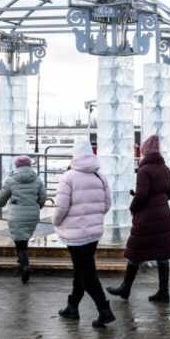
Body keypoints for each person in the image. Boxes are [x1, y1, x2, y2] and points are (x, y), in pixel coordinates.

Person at [53, 139, 115, 328]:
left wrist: (56, 222)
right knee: (82, 270)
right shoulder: (99, 176)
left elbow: (61, 207)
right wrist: (94, 218)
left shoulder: (68, 177)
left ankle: (104, 310)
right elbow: (107, 204)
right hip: (93, 233)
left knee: (86, 274)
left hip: (75, 235)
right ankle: (72, 306)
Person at [108, 135, 170, 303]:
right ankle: (163, 292)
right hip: (164, 214)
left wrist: (133, 207)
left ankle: (125, 288)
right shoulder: (165, 169)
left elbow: (142, 196)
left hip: (147, 216)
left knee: (135, 250)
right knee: (162, 254)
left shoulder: (144, 170)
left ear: (145, 151)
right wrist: (159, 199)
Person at [0, 155, 46, 284]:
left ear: (17, 166)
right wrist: (38, 206)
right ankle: (21, 261)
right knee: (24, 239)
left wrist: (0, 204)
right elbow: (42, 197)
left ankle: (24, 265)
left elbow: (1, 198)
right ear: (29, 165)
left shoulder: (10, 180)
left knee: (20, 242)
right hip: (32, 213)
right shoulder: (37, 179)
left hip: (16, 214)